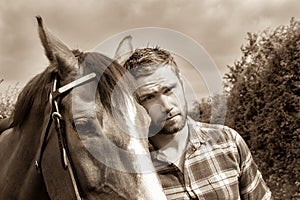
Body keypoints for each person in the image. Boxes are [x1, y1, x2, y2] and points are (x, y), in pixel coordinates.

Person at [123, 47, 272, 199]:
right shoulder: (132, 172)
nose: (166, 106)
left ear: (181, 84)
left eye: (168, 90)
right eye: (149, 97)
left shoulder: (228, 141)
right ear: (134, 104)